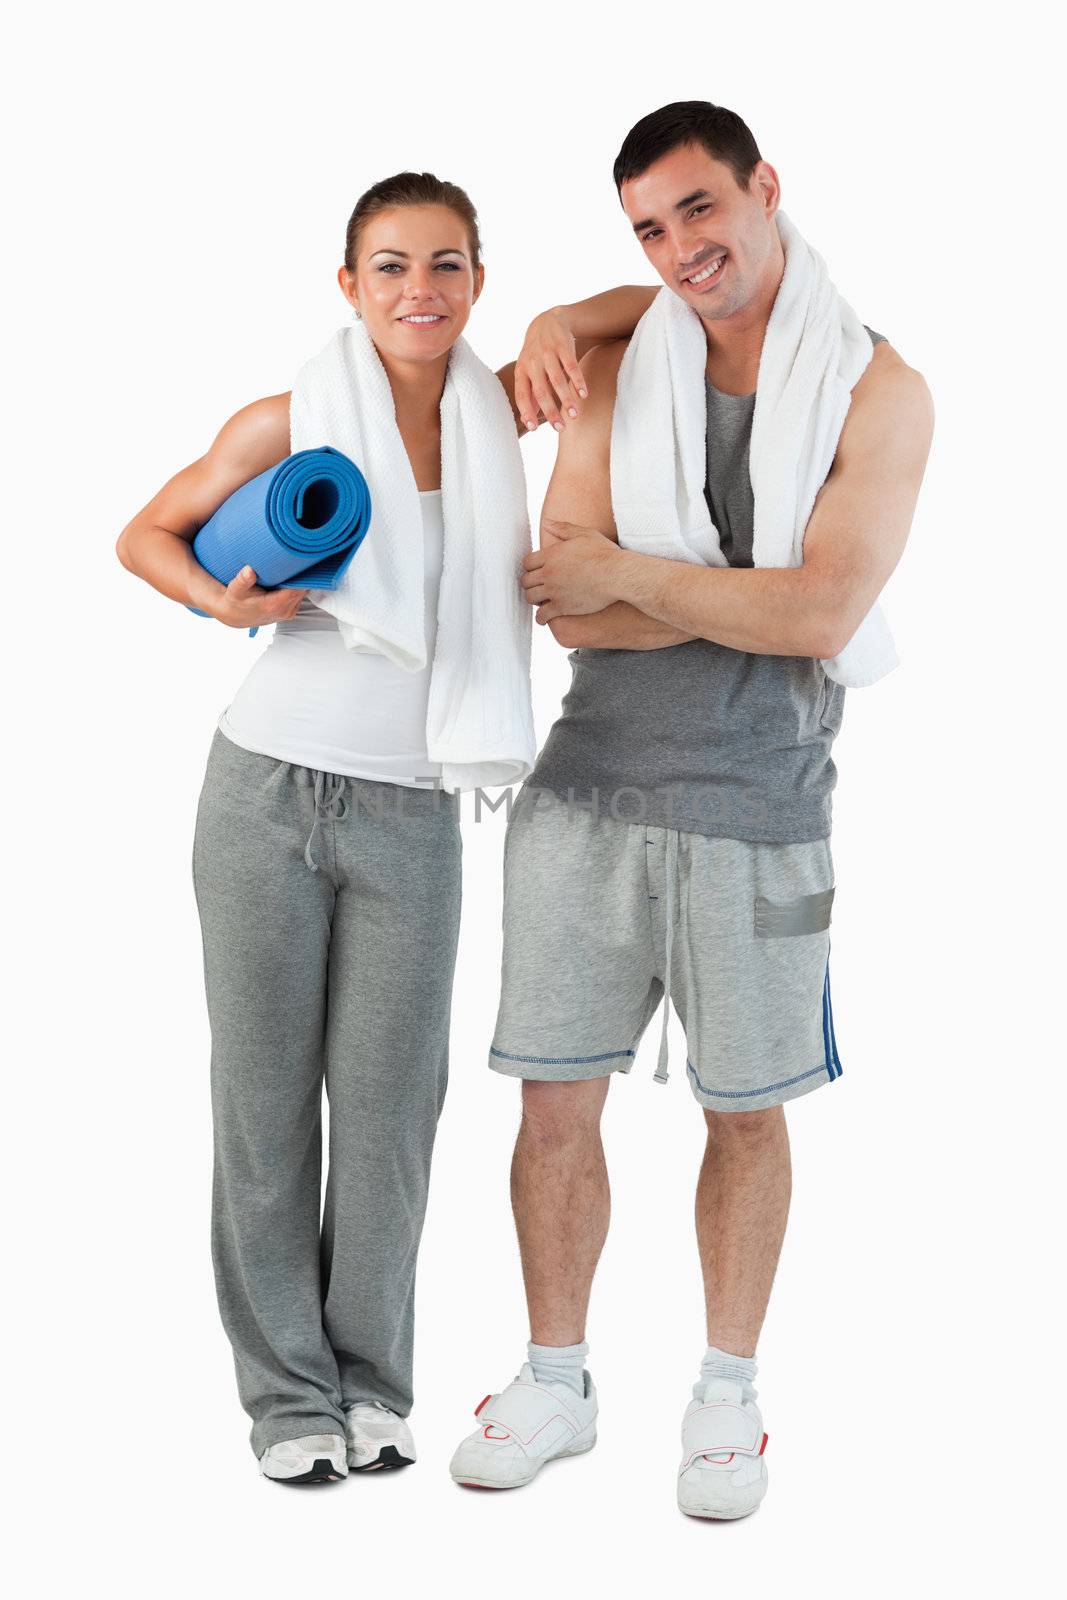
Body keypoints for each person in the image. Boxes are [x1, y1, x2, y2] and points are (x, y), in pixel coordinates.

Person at [115, 171, 650, 1485]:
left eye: (449, 266)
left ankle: (372, 1389)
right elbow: (143, 534)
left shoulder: (501, 409)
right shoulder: (293, 422)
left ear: (479, 281)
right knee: (262, 1108)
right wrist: (222, 607)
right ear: (348, 286)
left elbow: (655, 309)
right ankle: (289, 1399)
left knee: (394, 1111)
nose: (422, 291)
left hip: (414, 814)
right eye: (394, 266)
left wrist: (559, 329)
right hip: (264, 793)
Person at [450, 103, 934, 1518]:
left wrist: (646, 579)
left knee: (748, 1115)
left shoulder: (878, 392)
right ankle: (556, 1379)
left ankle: (728, 1398)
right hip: (582, 792)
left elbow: (823, 610)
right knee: (552, 1108)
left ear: (764, 188)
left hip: (765, 806)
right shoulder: (610, 355)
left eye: (696, 212)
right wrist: (735, 602)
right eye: (647, 231)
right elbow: (563, 598)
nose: (678, 251)